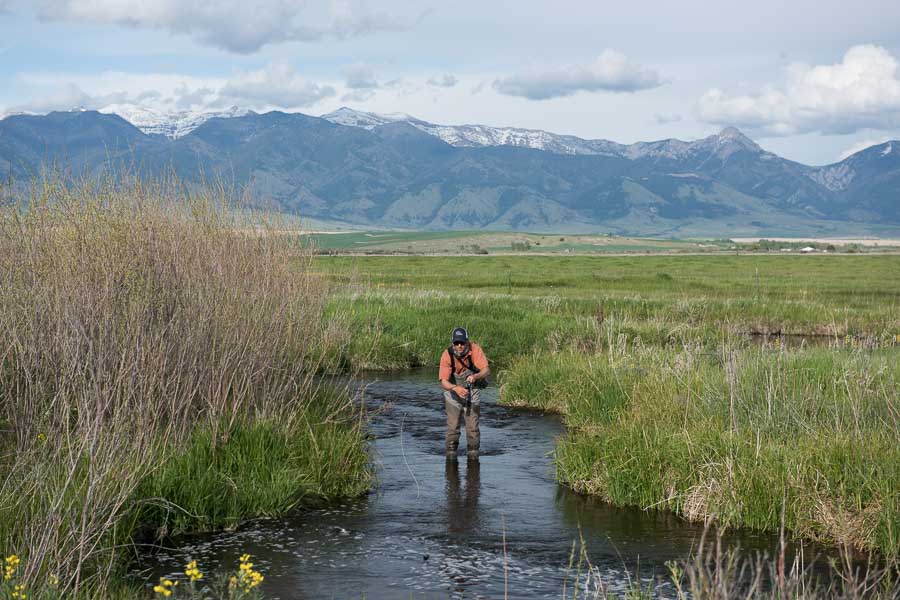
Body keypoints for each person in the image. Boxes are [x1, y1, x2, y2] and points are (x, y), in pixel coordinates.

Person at [439, 327, 490, 459]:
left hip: (472, 390)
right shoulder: (447, 354)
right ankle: (451, 457)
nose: (459, 346)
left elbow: (486, 370)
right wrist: (456, 388)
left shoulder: (475, 350)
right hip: (452, 391)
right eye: (456, 343)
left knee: (472, 427)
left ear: (467, 341)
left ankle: (473, 456)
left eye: (462, 343)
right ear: (452, 343)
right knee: (453, 427)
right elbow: (443, 382)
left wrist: (476, 377)